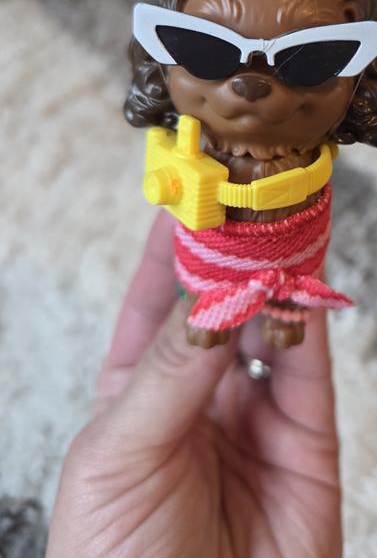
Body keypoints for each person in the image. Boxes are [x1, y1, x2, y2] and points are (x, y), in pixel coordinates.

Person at [47, 212, 342, 557]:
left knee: (291, 286)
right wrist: (207, 306)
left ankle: (280, 310)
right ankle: (227, 301)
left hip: (285, 252)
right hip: (217, 254)